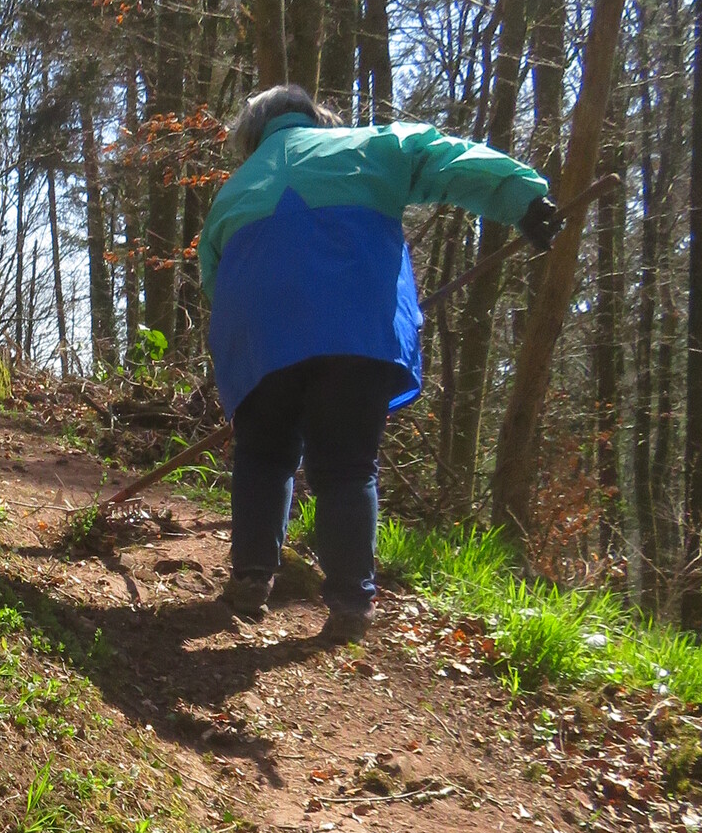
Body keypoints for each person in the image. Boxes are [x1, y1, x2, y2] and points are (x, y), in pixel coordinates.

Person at [197, 87, 559, 642]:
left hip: (258, 339)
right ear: (317, 117)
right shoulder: (371, 146)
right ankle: (349, 602)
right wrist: (525, 200)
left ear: (253, 135)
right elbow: (447, 158)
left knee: (263, 455)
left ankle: (251, 578)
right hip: (355, 332)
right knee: (346, 464)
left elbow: (213, 283)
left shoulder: (232, 192)